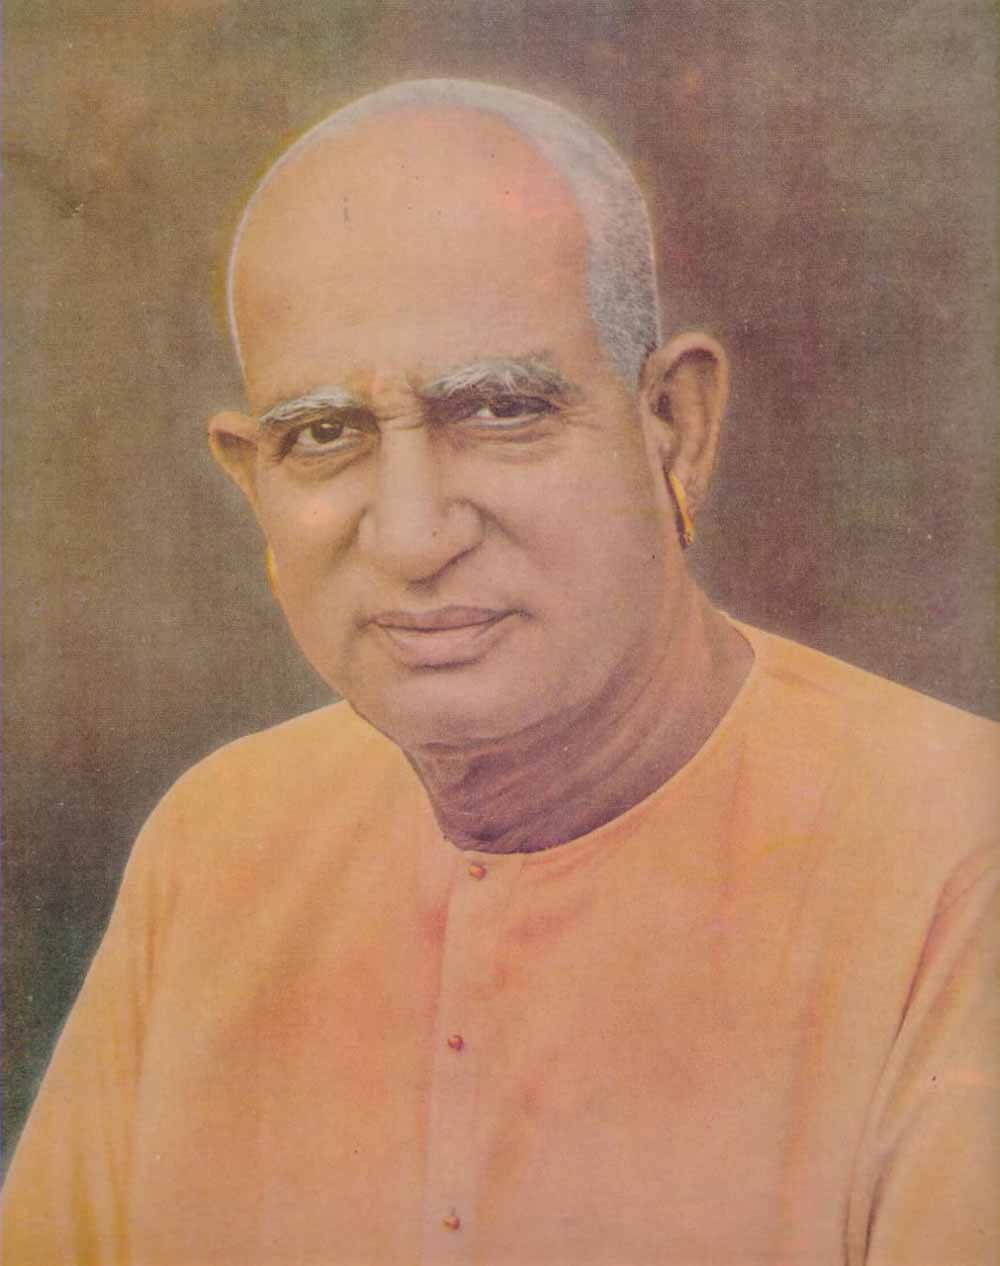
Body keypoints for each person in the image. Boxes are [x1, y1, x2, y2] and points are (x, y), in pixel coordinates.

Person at [3, 79, 997, 1266]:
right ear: (252, 482)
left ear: (673, 425)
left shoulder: (955, 858)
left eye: (499, 409)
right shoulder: (214, 846)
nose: (413, 535)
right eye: (324, 434)